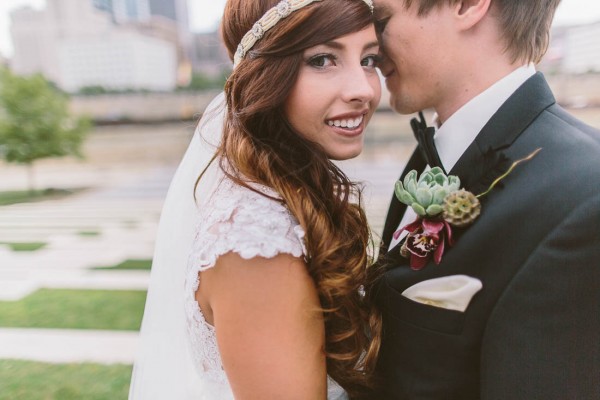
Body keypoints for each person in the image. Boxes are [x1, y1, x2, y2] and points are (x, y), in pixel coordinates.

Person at [129, 0, 383, 399]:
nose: (363, 89)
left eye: (369, 59)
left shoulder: (282, 196)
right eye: (321, 60)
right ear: (268, 75)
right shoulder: (255, 241)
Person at [367, 0, 600, 398]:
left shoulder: (586, 197)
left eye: (382, 20)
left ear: (468, 5)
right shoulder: (431, 155)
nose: (372, 48)